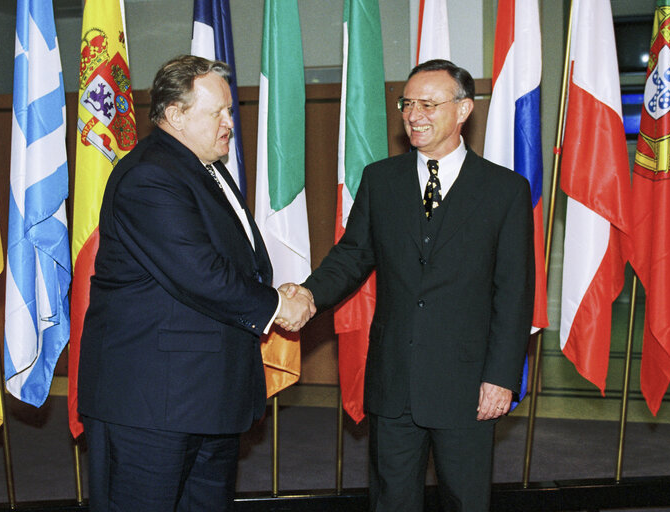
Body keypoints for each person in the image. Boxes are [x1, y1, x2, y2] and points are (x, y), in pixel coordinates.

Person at [284, 59, 535, 512]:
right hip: (394, 378)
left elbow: (514, 292)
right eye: (407, 104)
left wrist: (500, 377)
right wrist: (308, 294)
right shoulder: (381, 180)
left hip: (467, 383)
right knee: (391, 500)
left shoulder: (505, 190)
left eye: (428, 104)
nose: (414, 114)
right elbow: (353, 255)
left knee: (465, 500)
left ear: (463, 111)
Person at [77, 55, 314, 512]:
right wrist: (276, 305)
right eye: (217, 113)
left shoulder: (207, 167)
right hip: (153, 404)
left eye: (230, 110)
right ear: (174, 115)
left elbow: (234, 262)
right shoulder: (150, 176)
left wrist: (274, 294)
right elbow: (199, 272)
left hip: (208, 397)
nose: (230, 122)